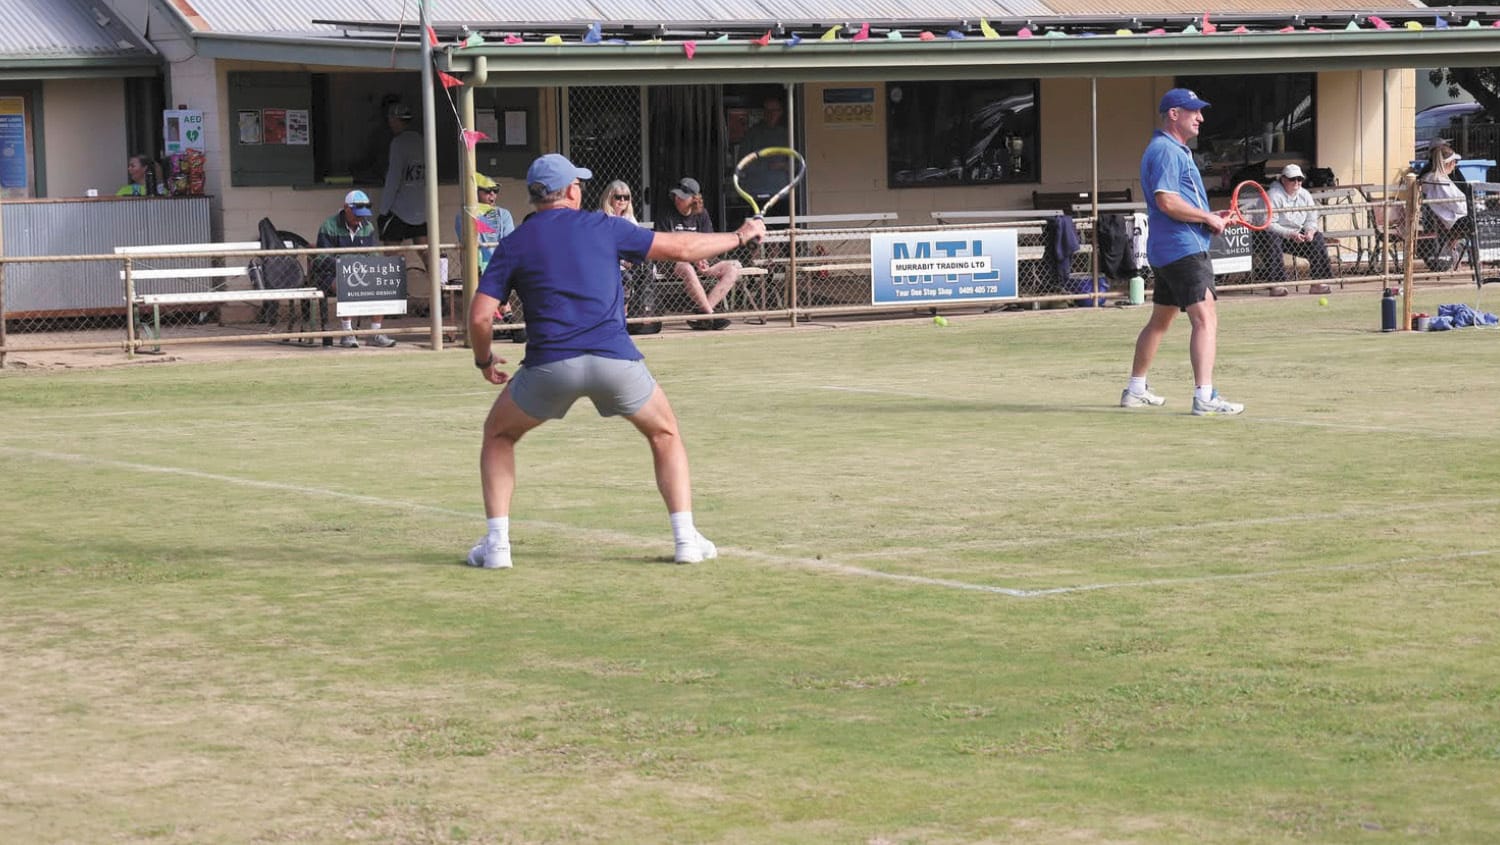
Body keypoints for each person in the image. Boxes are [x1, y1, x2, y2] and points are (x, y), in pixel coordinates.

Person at [465, 153, 766, 569]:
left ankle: (497, 547)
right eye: (579, 184)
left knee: (499, 435)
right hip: (616, 362)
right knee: (665, 434)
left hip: (549, 367)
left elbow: (480, 316)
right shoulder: (604, 226)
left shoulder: (514, 242)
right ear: (571, 191)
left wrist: (485, 361)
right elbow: (681, 247)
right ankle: (686, 541)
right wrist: (740, 235)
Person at [1120, 88, 1244, 417]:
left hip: (1170, 248)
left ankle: (1135, 388)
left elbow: (1178, 201)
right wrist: (1206, 217)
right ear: (1174, 114)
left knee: (1160, 321)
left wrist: (1209, 218)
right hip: (1182, 249)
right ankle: (1205, 396)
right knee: (1206, 320)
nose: (1201, 117)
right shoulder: (1166, 150)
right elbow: (1166, 200)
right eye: (1193, 111)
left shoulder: (1175, 150)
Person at [311, 190, 395, 348]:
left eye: (363, 215)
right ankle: (347, 333)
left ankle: (375, 333)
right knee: (348, 283)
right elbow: (321, 259)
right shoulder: (328, 226)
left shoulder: (367, 227)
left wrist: (367, 268)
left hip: (362, 273)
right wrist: (345, 266)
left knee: (382, 283)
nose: (360, 219)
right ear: (346, 208)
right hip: (330, 275)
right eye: (357, 215)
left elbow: (374, 255)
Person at [374, 101, 427, 338]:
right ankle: (440, 296)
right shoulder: (423, 140)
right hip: (421, 208)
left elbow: (393, 177)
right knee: (426, 253)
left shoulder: (399, 143)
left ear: (396, 120)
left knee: (393, 256)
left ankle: (393, 302)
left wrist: (384, 209)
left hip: (398, 209)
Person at [659, 176, 739, 330]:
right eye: (676, 195)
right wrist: (694, 258)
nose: (677, 199)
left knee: (731, 270)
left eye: (682, 197)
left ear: (694, 199)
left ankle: (702, 313)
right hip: (672, 261)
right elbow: (666, 246)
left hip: (699, 259)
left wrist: (701, 257)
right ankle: (710, 315)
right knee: (687, 268)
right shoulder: (666, 213)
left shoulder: (702, 214)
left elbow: (707, 243)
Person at [454, 173, 524, 343]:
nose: (492, 195)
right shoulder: (464, 215)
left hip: (501, 263)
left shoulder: (503, 214)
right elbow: (471, 243)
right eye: (487, 191)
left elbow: (508, 241)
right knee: (481, 270)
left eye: (495, 191)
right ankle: (507, 318)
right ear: (475, 192)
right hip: (478, 264)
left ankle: (506, 318)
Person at [598, 179, 661, 336]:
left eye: (626, 197)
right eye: (618, 197)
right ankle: (618, 318)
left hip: (628, 262)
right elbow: (602, 246)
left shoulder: (629, 219)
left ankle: (640, 314)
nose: (622, 201)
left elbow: (638, 243)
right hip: (607, 264)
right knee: (626, 277)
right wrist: (623, 259)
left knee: (644, 270)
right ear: (609, 197)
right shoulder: (602, 218)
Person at [1256, 163, 1333, 289]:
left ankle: (1318, 282)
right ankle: (1277, 284)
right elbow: (1268, 224)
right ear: (1283, 179)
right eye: (1292, 179)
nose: (1297, 182)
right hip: (1274, 236)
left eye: (1300, 179)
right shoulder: (1273, 195)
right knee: (1272, 238)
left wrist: (1310, 231)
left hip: (1296, 236)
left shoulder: (1305, 195)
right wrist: (1289, 234)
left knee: (1317, 238)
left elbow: (1311, 219)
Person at [1419, 142, 1473, 269]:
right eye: (1454, 163)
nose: (1455, 167)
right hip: (1455, 220)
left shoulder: (1435, 178)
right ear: (1447, 163)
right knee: (1489, 219)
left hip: (1454, 218)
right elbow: (1458, 206)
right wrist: (1471, 208)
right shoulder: (1439, 181)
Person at [736, 94, 791, 201]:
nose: (771, 114)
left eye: (775, 110)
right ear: (763, 113)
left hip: (782, 194)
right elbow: (742, 164)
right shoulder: (752, 134)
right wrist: (767, 166)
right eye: (768, 110)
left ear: (781, 112)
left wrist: (784, 166)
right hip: (756, 194)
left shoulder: (788, 134)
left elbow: (798, 164)